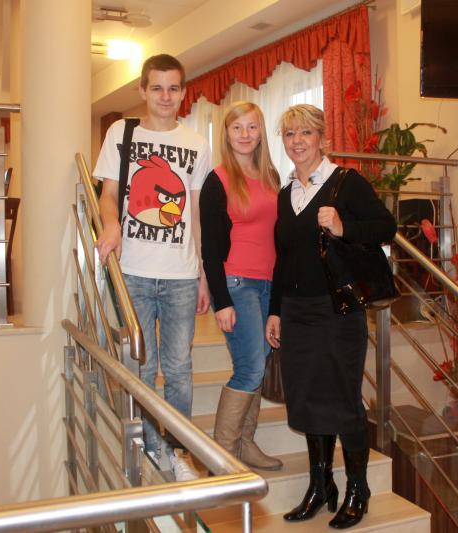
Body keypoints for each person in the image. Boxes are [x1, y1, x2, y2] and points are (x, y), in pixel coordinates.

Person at [265, 104, 396, 529]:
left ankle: (358, 489)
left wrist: (343, 227)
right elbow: (283, 258)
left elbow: (386, 226)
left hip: (337, 310)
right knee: (306, 398)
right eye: (290, 134)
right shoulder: (286, 194)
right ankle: (321, 487)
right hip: (296, 312)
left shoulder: (346, 183)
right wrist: (275, 311)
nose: (297, 141)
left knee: (342, 399)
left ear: (322, 138)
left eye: (306, 133)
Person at [94, 54, 211, 482]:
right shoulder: (121, 133)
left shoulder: (197, 143)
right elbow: (108, 194)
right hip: (133, 272)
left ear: (183, 92)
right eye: (157, 87)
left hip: (181, 275)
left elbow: (196, 212)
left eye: (173, 88)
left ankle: (178, 451)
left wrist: (203, 274)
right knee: (141, 368)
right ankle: (150, 447)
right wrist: (111, 224)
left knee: (179, 369)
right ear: (143, 90)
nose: (165, 96)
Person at [199, 101, 283, 471]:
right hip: (237, 282)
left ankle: (245, 443)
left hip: (269, 283)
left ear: (261, 132)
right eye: (237, 128)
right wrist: (221, 301)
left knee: (258, 365)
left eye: (252, 127)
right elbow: (210, 248)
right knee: (249, 367)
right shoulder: (217, 181)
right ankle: (222, 457)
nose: (245, 134)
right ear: (227, 134)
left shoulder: (272, 178)